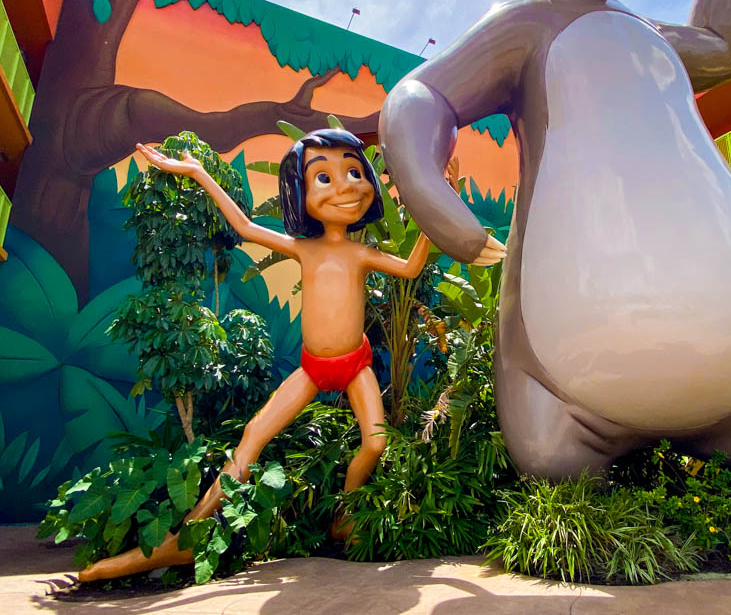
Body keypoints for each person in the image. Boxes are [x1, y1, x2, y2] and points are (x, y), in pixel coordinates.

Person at [79, 128, 504, 581]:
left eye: (355, 173)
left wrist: (444, 200)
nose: (346, 187)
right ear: (300, 192)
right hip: (313, 367)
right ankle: (184, 538)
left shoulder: (362, 253)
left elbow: (412, 267)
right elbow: (245, 227)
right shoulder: (303, 249)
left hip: (355, 364)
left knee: (375, 443)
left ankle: (344, 516)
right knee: (252, 437)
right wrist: (198, 172)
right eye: (323, 178)